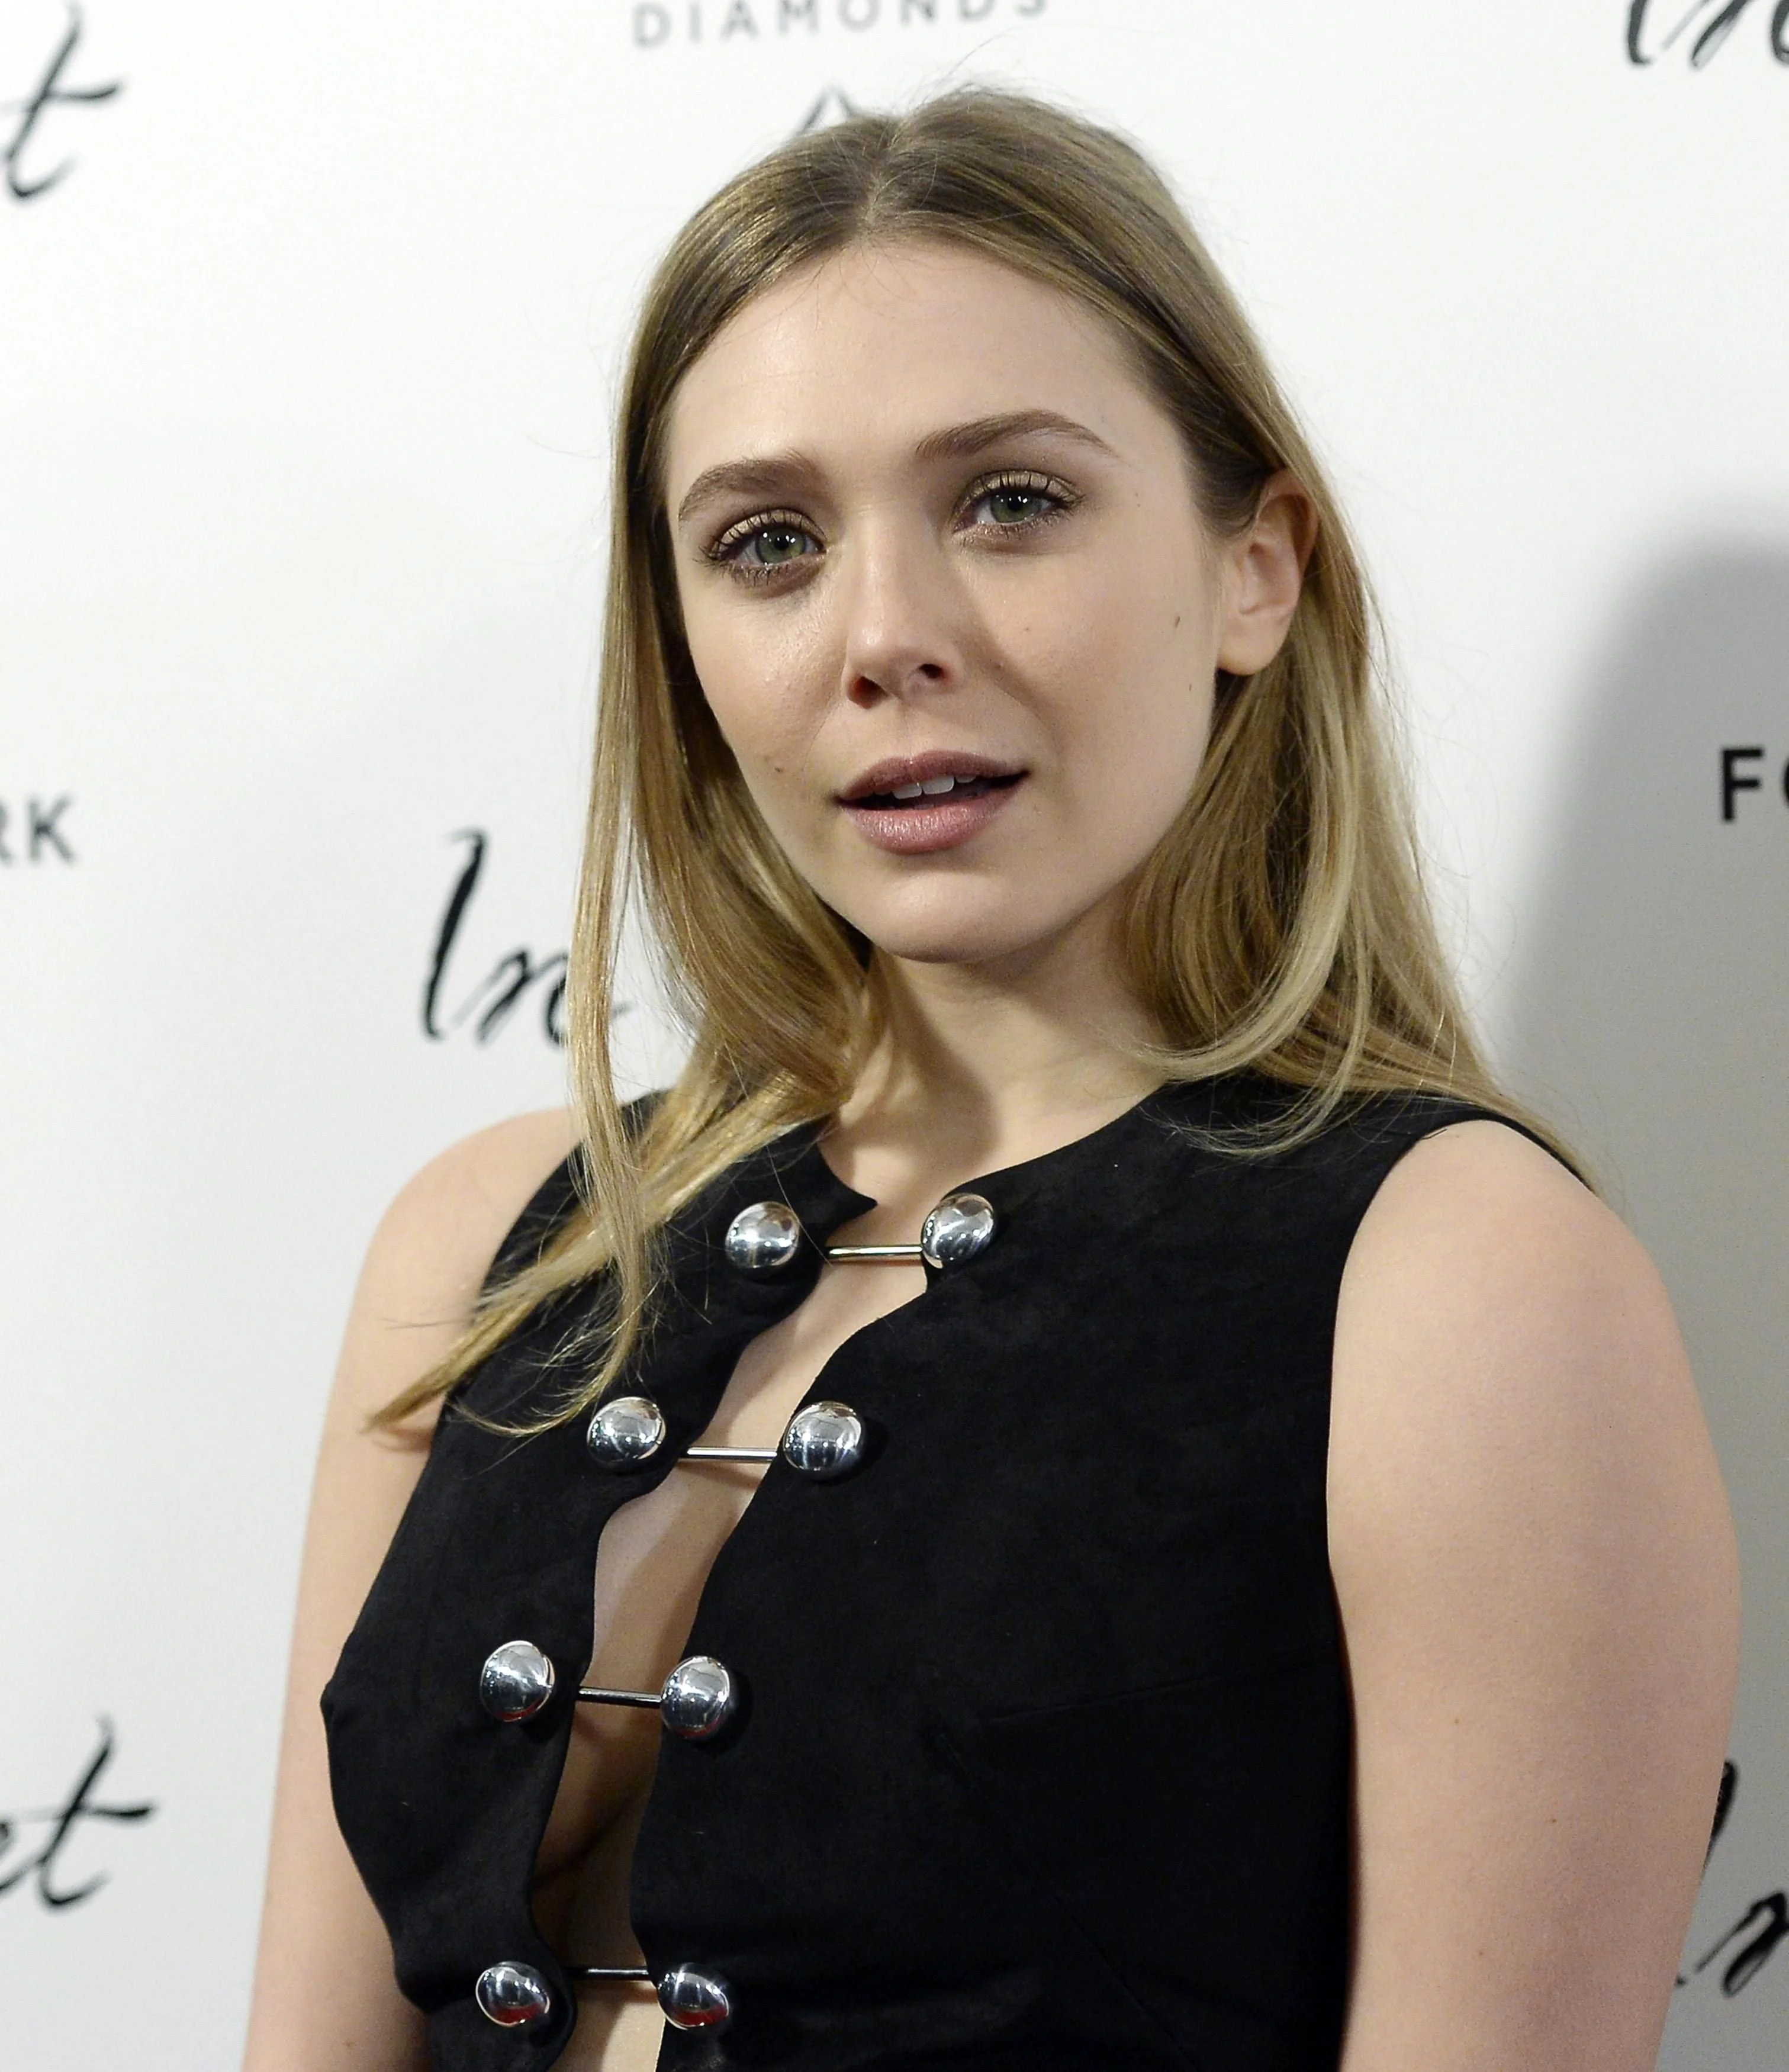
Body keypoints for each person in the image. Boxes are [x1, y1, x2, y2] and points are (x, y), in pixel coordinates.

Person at [242, 86, 1739, 2072]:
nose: (883, 636)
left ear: (1254, 568)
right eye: (769, 543)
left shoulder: (1460, 1283)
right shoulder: (491, 1242)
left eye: (1010, 502)